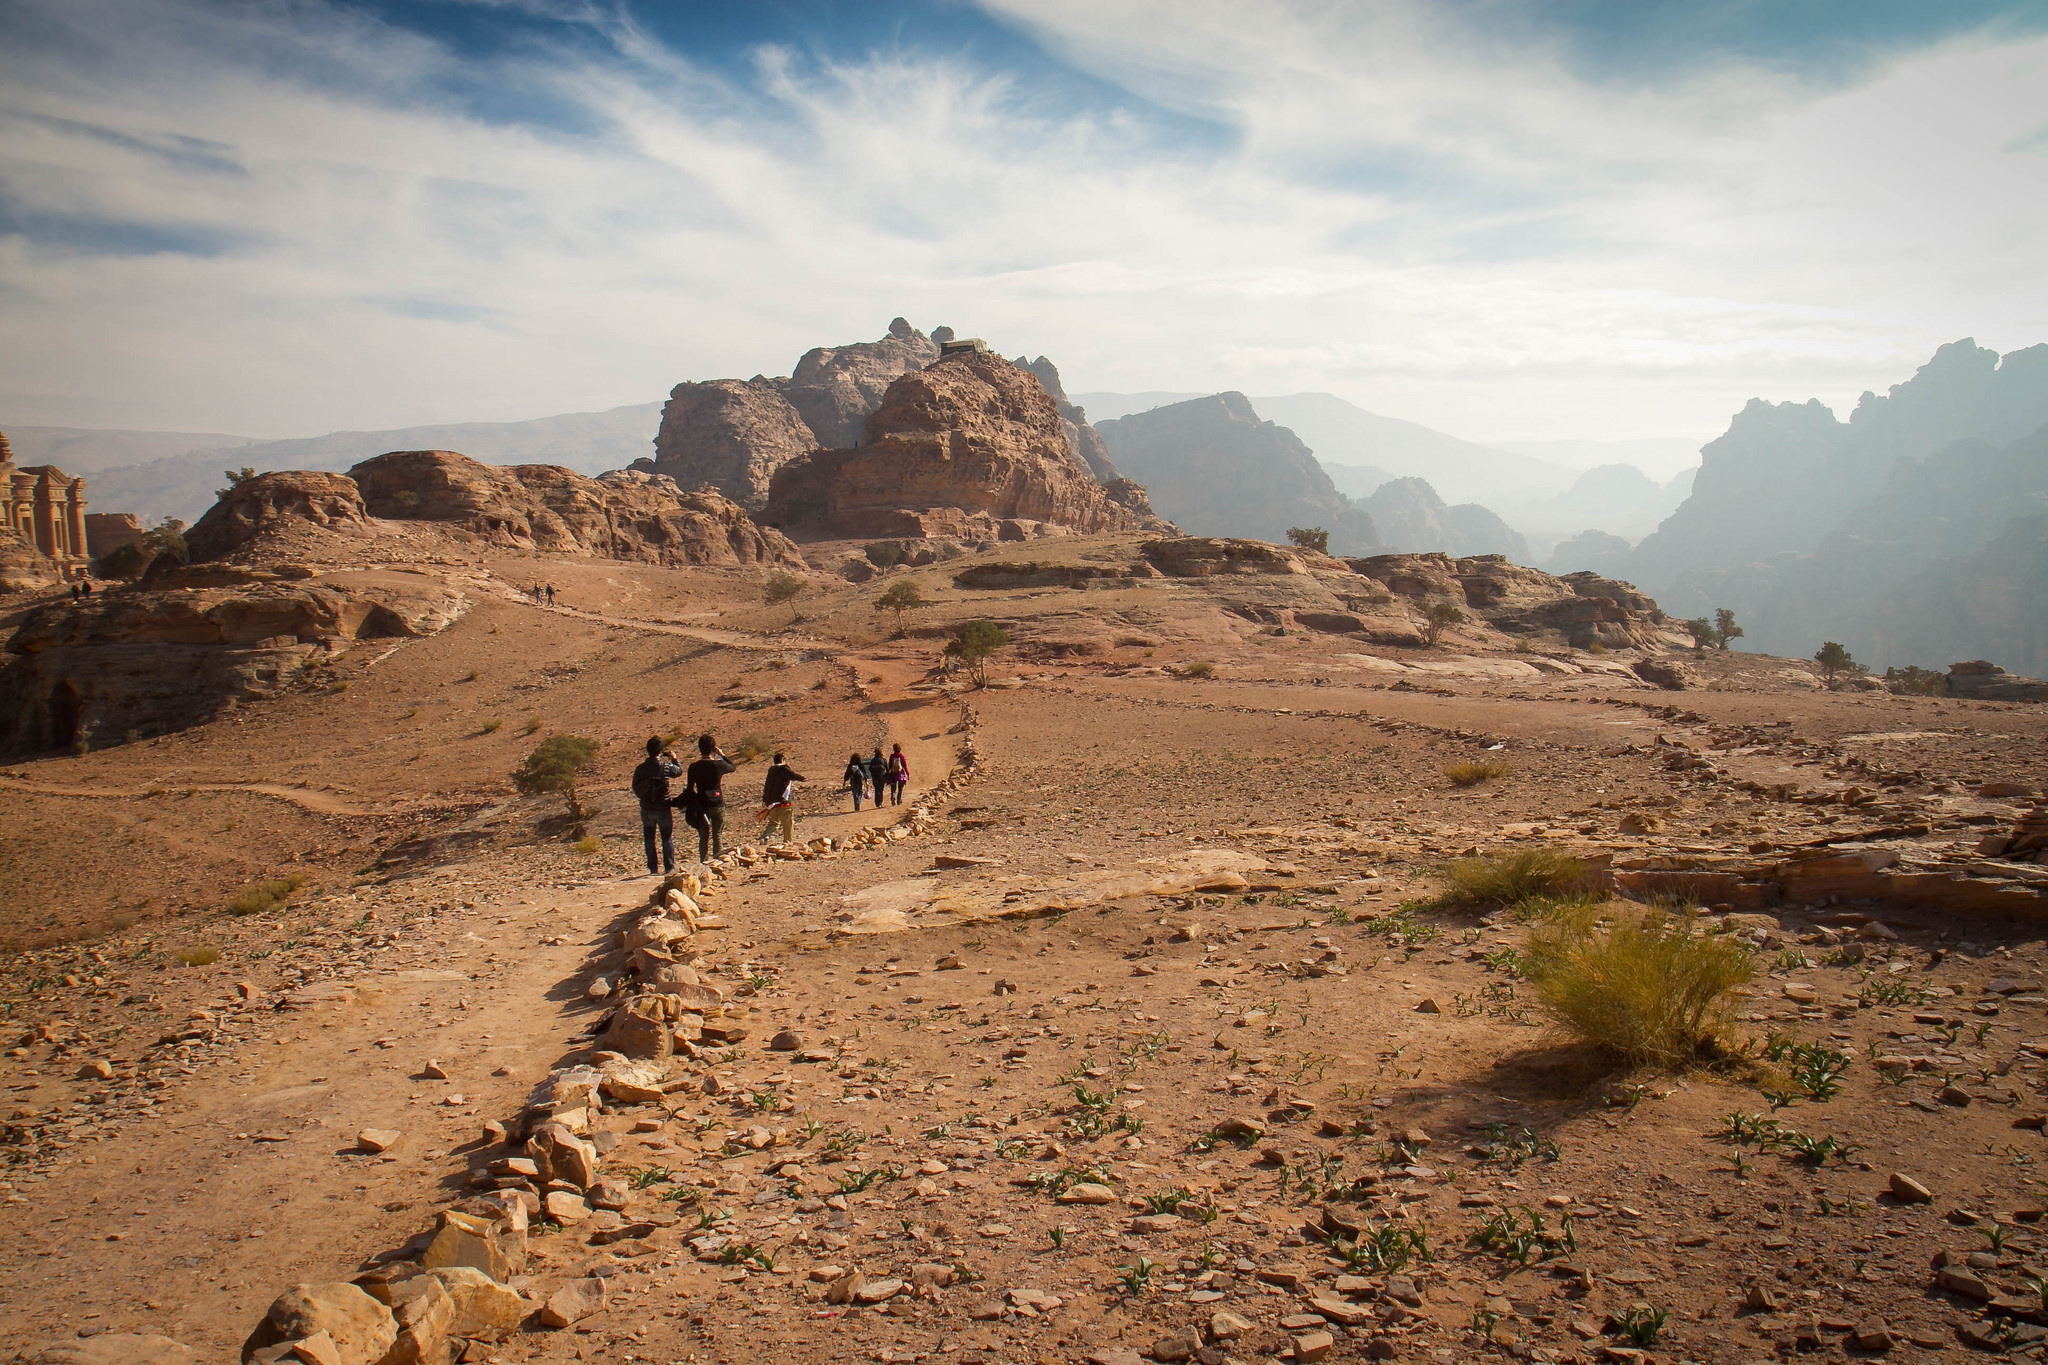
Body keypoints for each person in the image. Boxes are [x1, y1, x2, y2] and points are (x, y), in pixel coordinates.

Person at [631, 737, 683, 875]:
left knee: (649, 838)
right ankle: (669, 867)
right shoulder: (665, 767)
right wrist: (674, 759)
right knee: (666, 837)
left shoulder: (640, 769)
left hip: (647, 808)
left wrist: (644, 798)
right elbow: (678, 771)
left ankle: (653, 868)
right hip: (663, 807)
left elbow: (635, 786)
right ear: (661, 751)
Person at [682, 733, 736, 863]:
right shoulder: (719, 765)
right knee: (717, 834)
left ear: (700, 748)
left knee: (703, 836)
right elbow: (732, 767)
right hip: (717, 803)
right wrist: (722, 755)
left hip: (702, 805)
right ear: (713, 748)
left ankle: (703, 862)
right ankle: (717, 861)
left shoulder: (694, 767)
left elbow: (690, 788)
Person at [762, 751, 805, 845]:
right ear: (782, 760)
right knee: (787, 823)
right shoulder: (783, 769)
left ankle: (764, 837)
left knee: (773, 822)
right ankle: (787, 842)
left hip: (771, 802)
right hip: (783, 802)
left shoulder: (771, 771)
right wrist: (803, 778)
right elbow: (792, 775)